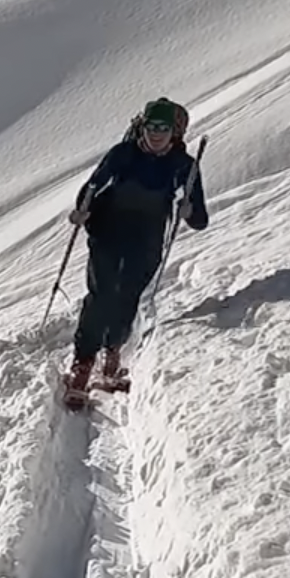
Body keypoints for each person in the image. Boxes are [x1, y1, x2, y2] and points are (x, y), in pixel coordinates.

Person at [64, 97, 208, 395]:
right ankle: (83, 360)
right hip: (107, 230)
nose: (156, 133)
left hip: (147, 238)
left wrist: (189, 210)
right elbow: (92, 187)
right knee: (101, 293)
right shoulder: (122, 154)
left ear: (175, 132)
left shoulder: (184, 165)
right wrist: (82, 210)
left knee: (127, 296)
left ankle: (112, 350)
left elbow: (201, 219)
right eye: (151, 127)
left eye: (163, 128)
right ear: (142, 128)